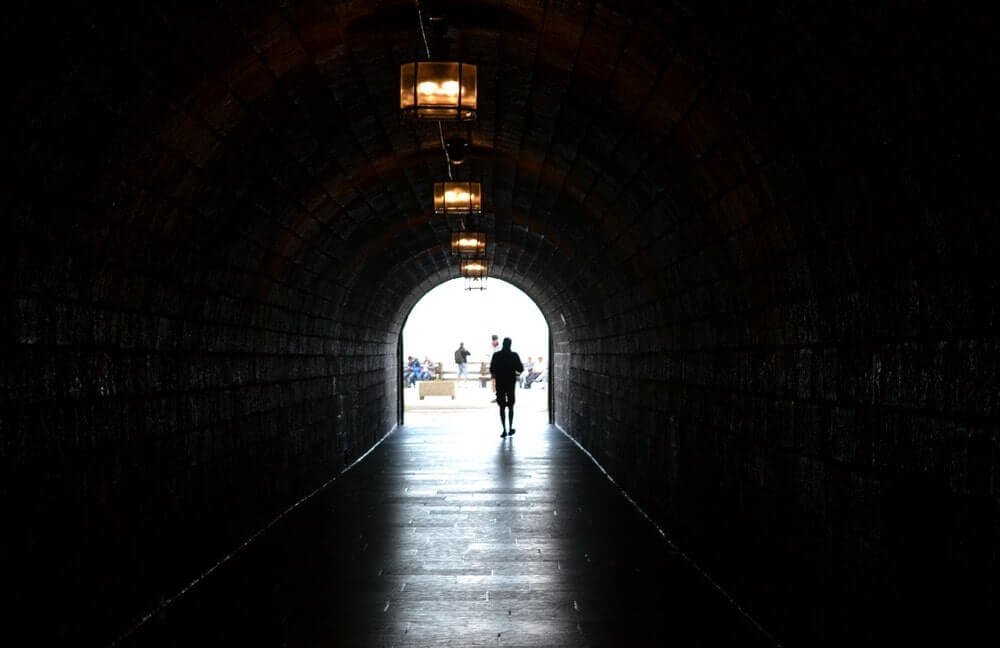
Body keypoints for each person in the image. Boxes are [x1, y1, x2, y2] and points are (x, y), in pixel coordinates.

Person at [489, 337, 523, 438]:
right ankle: (510, 428)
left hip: (500, 383)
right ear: (510, 344)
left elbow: (492, 369)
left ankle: (503, 429)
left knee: (502, 407)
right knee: (511, 406)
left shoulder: (496, 355)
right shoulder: (514, 355)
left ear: (503, 344)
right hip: (510, 383)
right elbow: (520, 368)